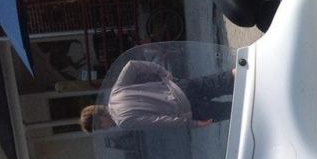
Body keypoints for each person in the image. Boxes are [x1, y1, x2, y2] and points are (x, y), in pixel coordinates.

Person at [79, 60, 234, 133]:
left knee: (234, 110)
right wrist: (162, 71)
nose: (104, 129)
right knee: (227, 79)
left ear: (100, 120)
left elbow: (161, 121)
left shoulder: (124, 122)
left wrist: (194, 124)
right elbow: (132, 65)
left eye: (100, 128)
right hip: (180, 87)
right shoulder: (116, 92)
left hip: (188, 108)